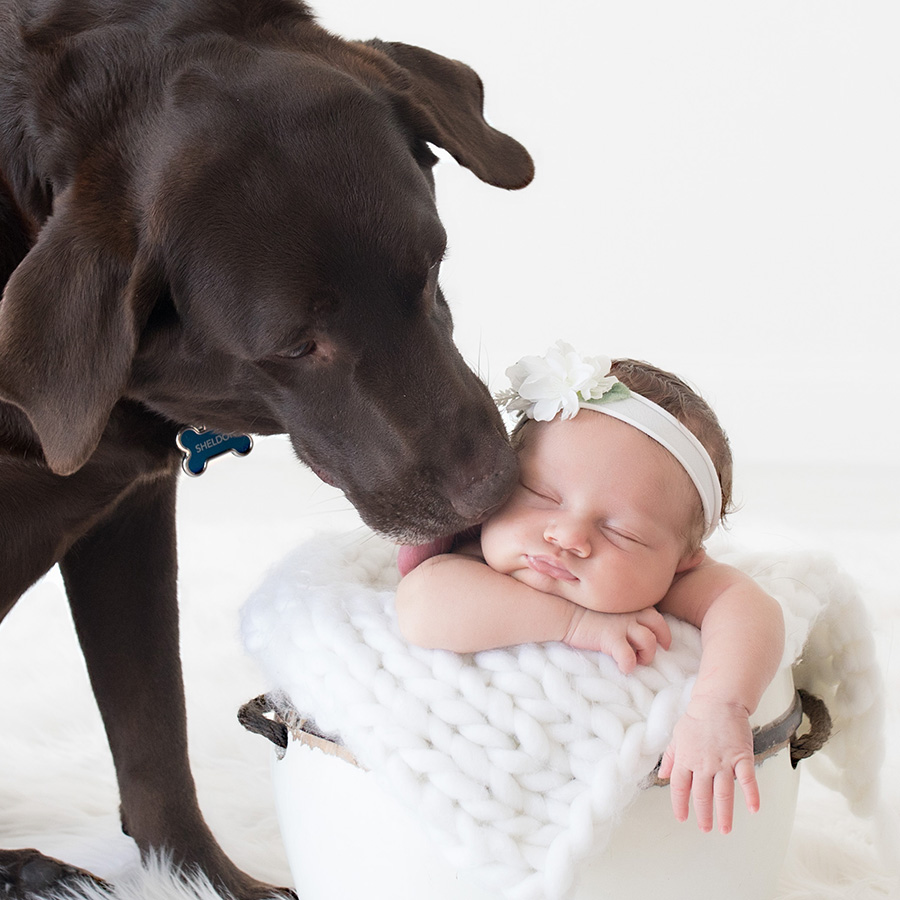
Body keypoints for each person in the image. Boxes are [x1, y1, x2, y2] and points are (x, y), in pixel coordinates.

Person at [395, 341, 786, 836]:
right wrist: (577, 622)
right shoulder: (474, 557)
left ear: (683, 560)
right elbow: (419, 606)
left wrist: (720, 705)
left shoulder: (661, 581)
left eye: (622, 533)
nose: (567, 536)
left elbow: (749, 607)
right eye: (540, 494)